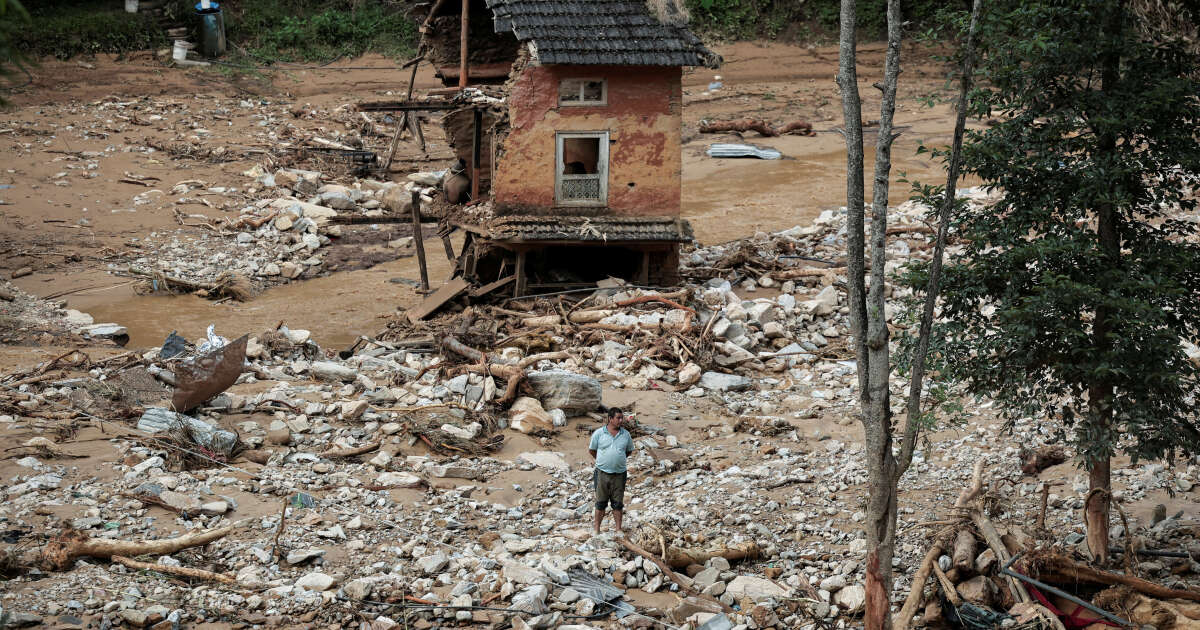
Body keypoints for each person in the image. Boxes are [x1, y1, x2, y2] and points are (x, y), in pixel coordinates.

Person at [589, 407, 633, 535]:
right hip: (602, 473)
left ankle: (618, 529)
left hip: (620, 474)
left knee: (618, 503)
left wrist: (617, 458)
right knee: (600, 503)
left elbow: (629, 451)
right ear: (610, 419)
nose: (621, 420)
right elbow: (592, 450)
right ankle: (596, 530)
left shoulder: (626, 434)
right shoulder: (599, 433)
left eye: (622, 418)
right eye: (618, 418)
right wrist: (602, 461)